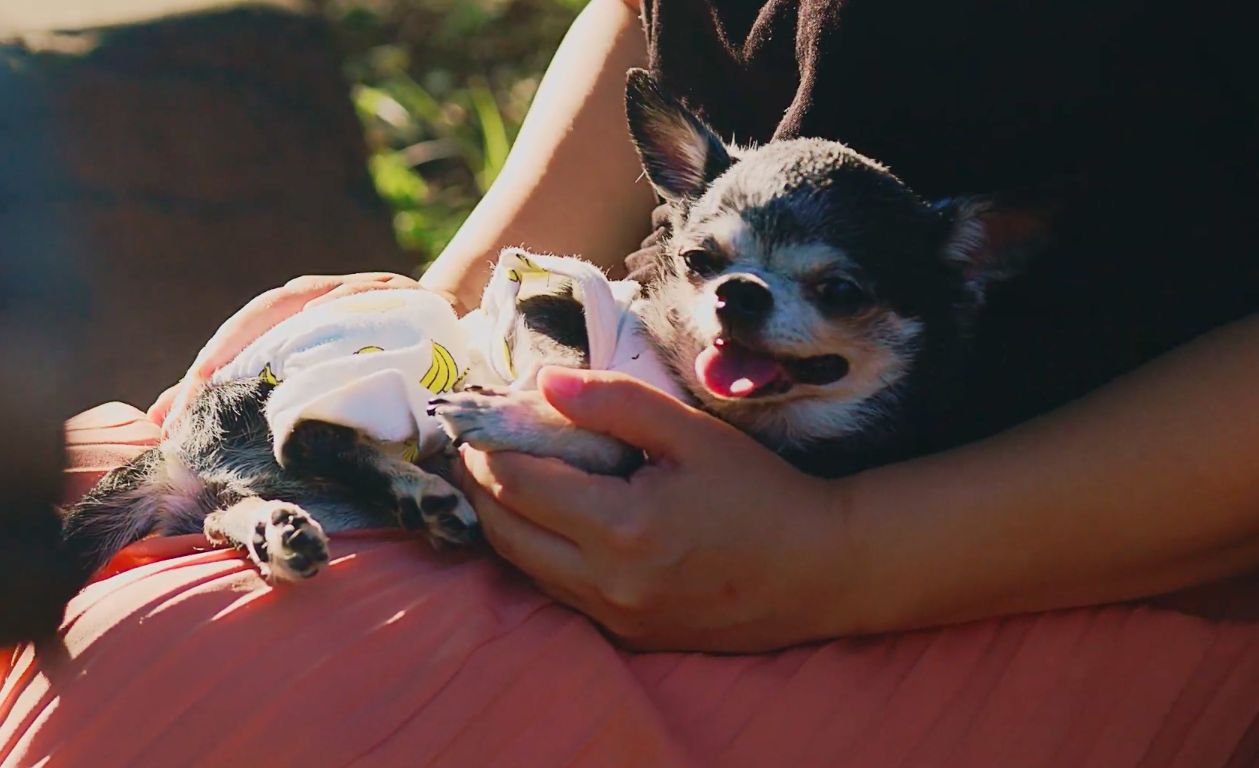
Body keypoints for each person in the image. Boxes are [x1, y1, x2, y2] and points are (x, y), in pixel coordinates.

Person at [147, 0, 1259, 653]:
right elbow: (650, 15)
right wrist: (451, 301)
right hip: (635, 447)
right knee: (131, 547)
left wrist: (846, 558)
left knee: (184, 672)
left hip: (1063, 584)